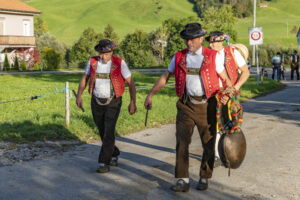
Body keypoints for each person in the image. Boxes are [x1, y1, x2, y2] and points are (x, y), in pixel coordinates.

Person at [144, 23, 233, 192]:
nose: (188, 43)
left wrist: (229, 94)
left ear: (200, 39)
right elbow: (165, 76)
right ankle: (182, 180)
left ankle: (205, 176)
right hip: (186, 105)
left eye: (192, 39)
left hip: (208, 105)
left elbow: (226, 79)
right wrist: (150, 94)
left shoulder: (213, 56)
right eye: (186, 39)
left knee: (208, 142)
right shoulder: (178, 57)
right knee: (182, 142)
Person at [76, 39, 137, 173]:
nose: (104, 57)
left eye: (107, 53)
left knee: (109, 131)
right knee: (102, 131)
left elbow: (130, 82)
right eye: (101, 54)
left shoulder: (119, 63)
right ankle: (114, 152)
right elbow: (84, 78)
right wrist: (79, 95)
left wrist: (133, 102)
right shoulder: (92, 62)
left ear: (112, 52)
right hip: (96, 101)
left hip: (114, 101)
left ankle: (104, 162)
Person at [205, 31, 250, 166]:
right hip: (211, 94)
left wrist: (235, 88)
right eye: (212, 42)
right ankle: (215, 153)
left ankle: (224, 153)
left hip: (228, 94)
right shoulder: (206, 55)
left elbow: (246, 72)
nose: (214, 44)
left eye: (217, 41)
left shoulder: (232, 53)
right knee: (211, 124)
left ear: (222, 41)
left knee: (226, 124)